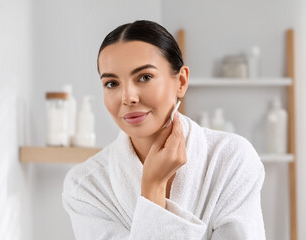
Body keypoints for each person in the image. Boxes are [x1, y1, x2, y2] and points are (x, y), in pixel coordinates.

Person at [62, 20, 266, 239]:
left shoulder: (232, 158)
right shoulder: (86, 186)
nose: (128, 97)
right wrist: (152, 188)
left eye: (144, 77)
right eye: (112, 83)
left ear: (181, 82)